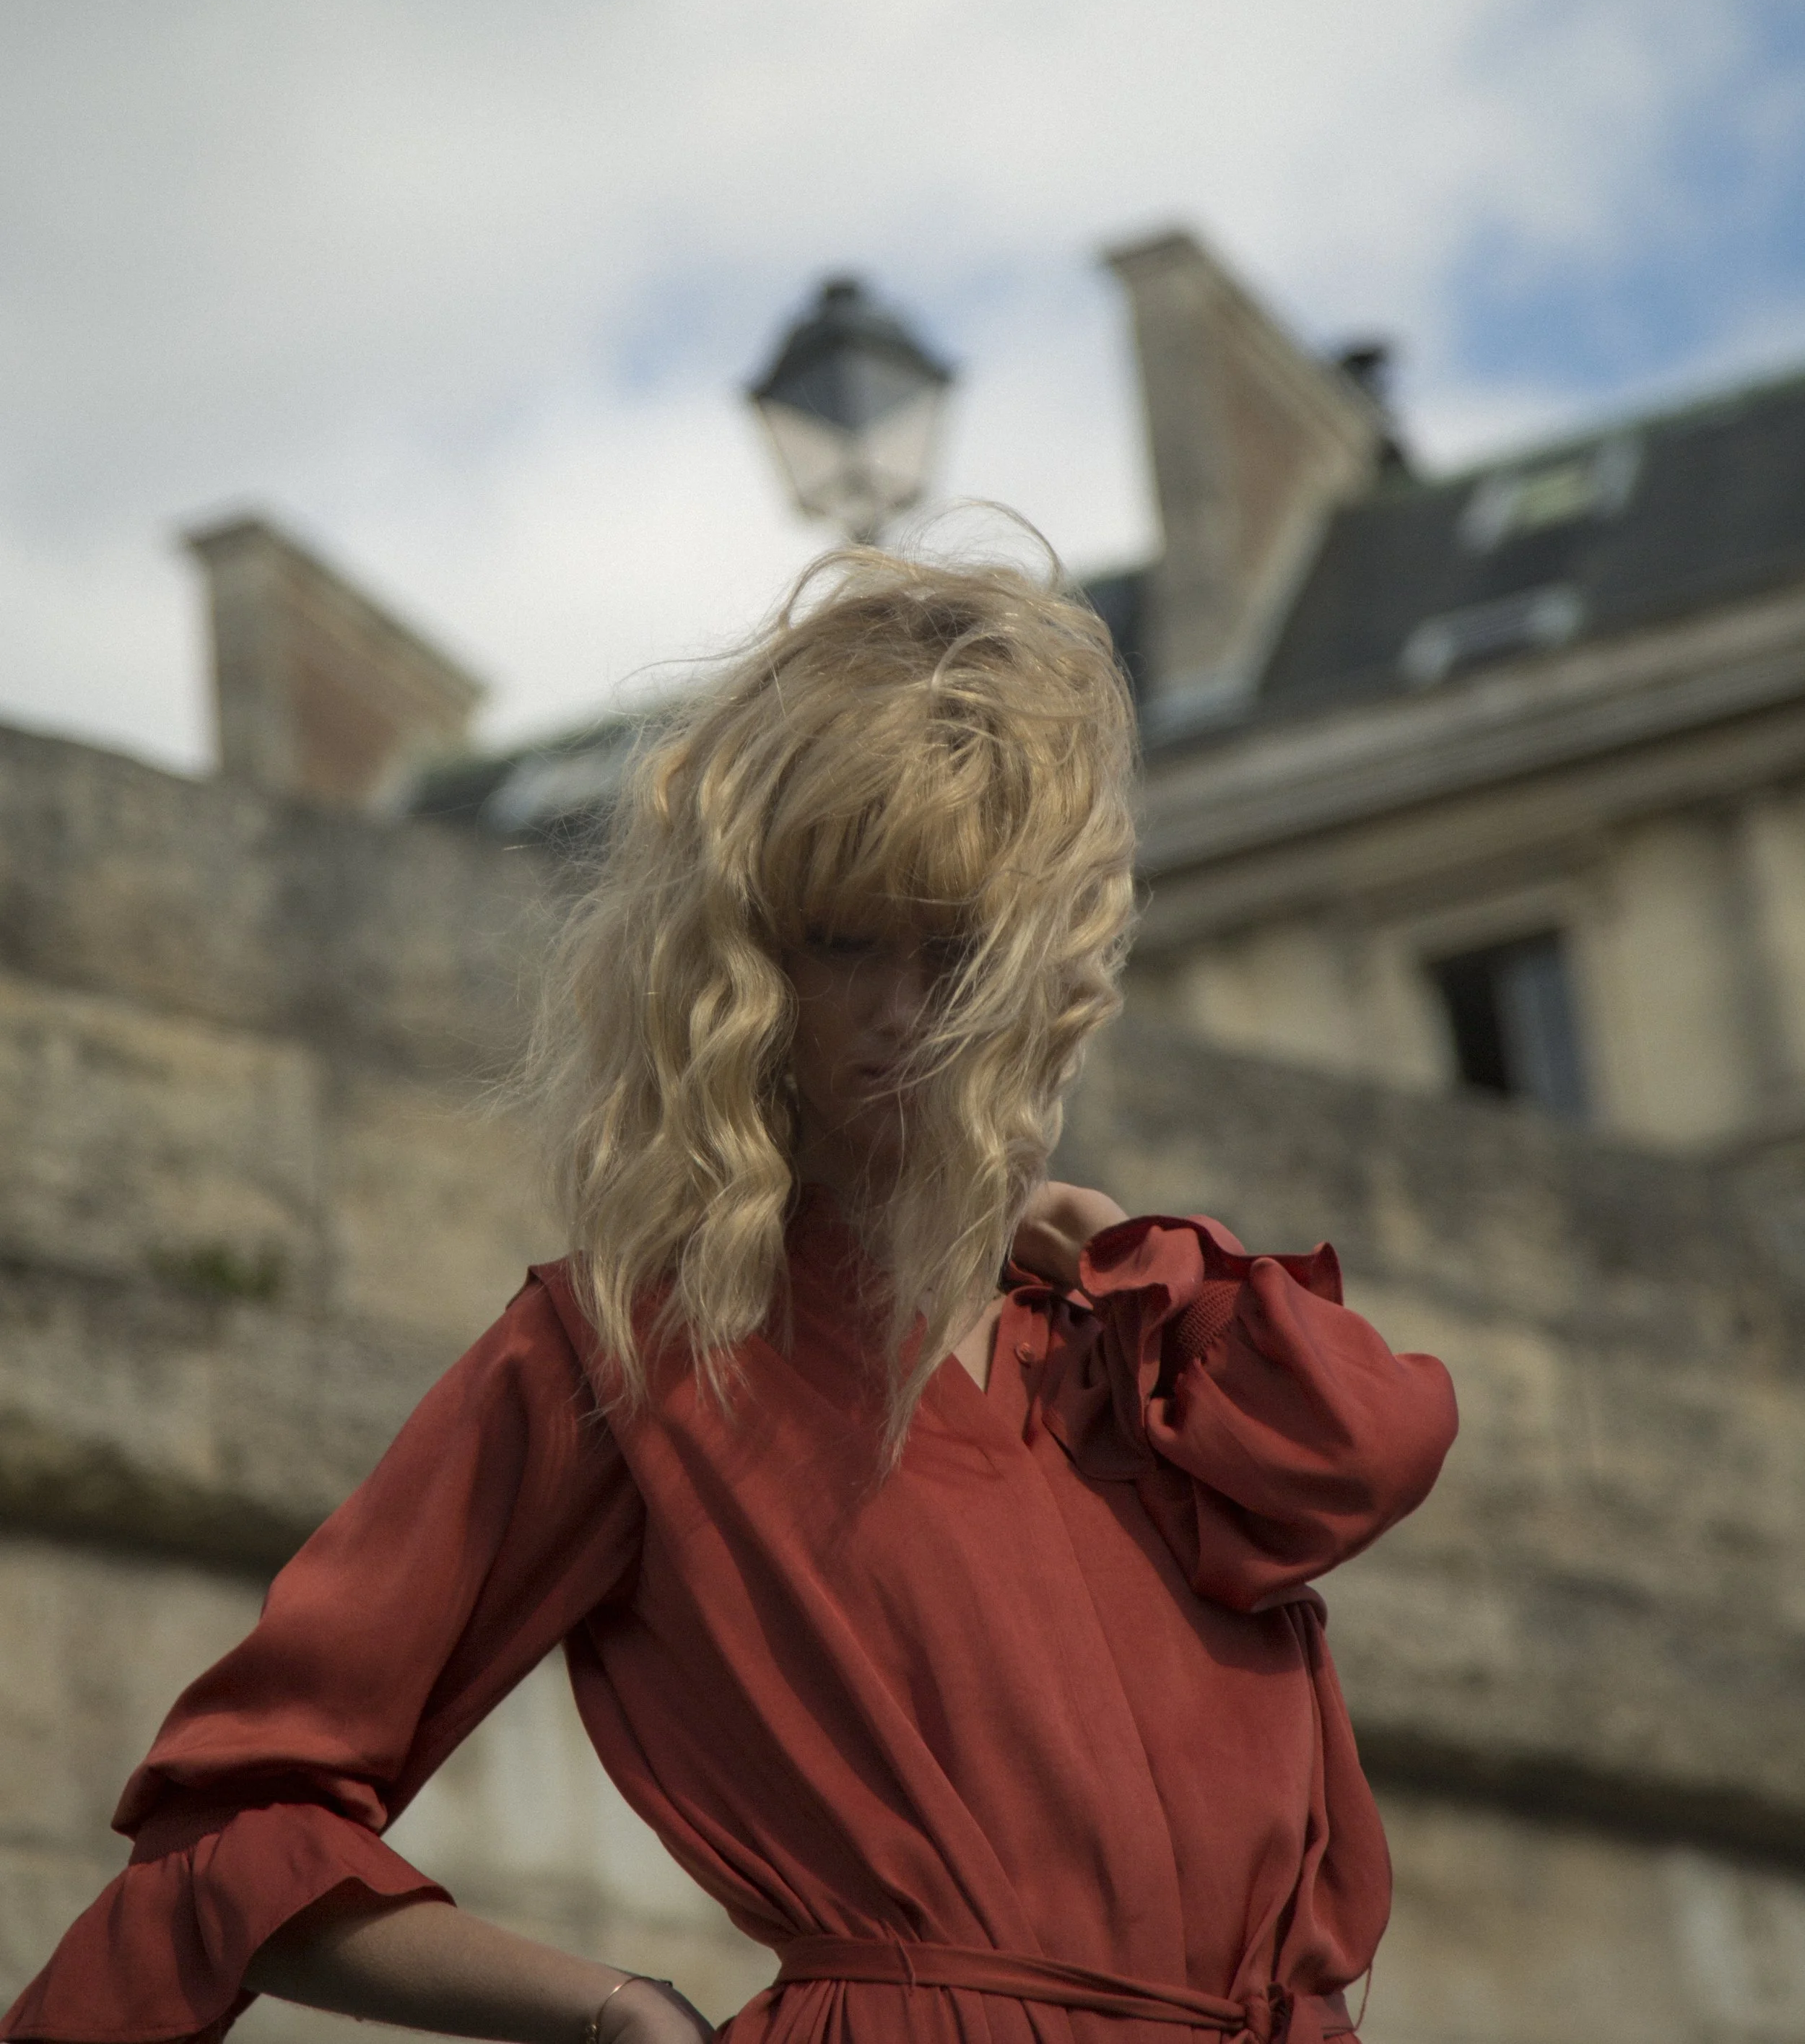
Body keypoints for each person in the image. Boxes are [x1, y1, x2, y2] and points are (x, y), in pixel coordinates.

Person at [3, 549, 1457, 2044]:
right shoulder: (632, 1359)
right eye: (840, 942)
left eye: (952, 947)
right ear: (749, 961)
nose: (897, 1013)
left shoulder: (1142, 1355)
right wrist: (615, 2010)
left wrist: (1094, 1236)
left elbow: (1363, 1452)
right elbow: (236, 1824)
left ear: (1043, 964)